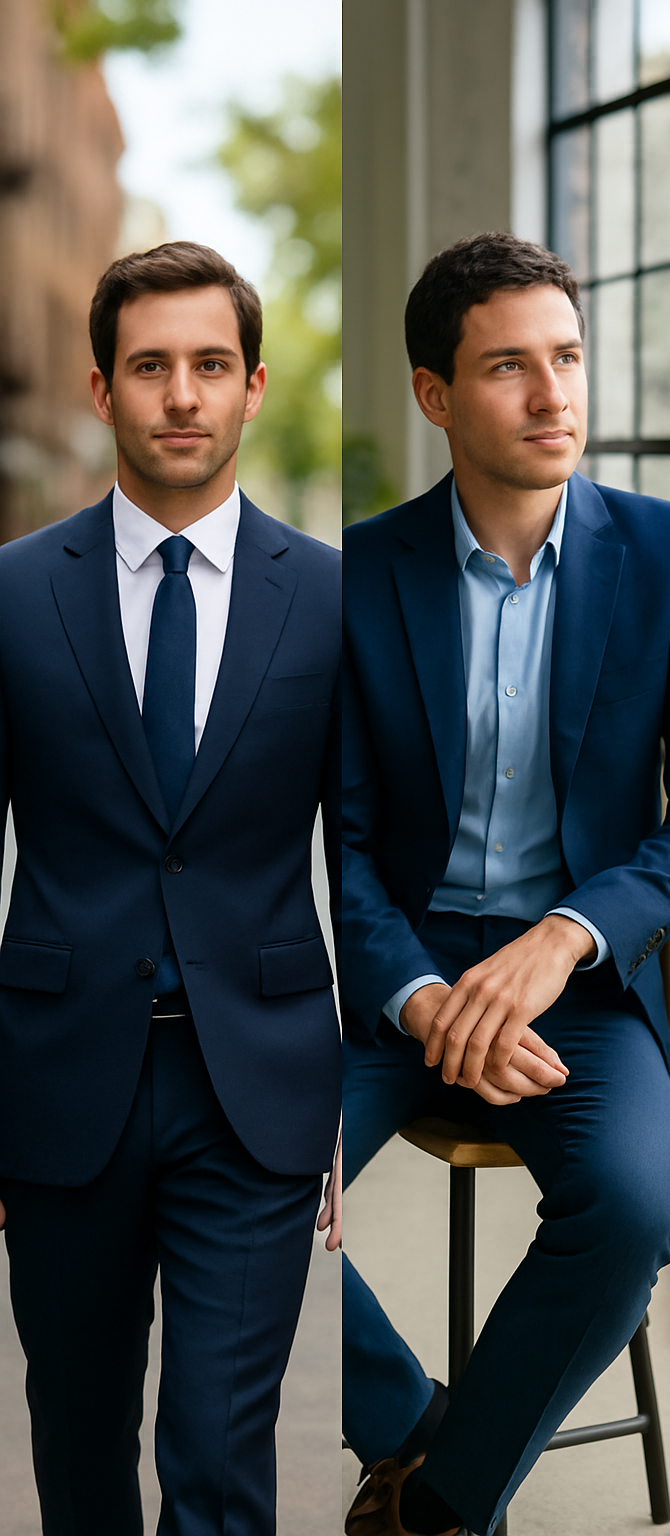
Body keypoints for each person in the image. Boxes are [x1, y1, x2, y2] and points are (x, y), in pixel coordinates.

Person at [340, 231, 670, 1536]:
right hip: (392, 969)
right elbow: (345, 846)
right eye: (508, 369)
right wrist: (421, 996)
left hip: (578, 980)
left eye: (569, 358)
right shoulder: (358, 576)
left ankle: (443, 1505)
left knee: (638, 1208)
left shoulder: (668, 562)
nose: (556, 397)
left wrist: (567, 935)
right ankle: (416, 1424)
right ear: (435, 394)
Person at [0, 241, 341, 1534]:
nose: (182, 395)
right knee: (78, 1443)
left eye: (210, 365)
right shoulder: (15, 594)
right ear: (101, 390)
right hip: (55, 1083)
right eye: (152, 367)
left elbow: (360, 856)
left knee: (215, 1452)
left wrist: (352, 1087)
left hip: (251, 1091)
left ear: (254, 387)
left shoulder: (330, 599)